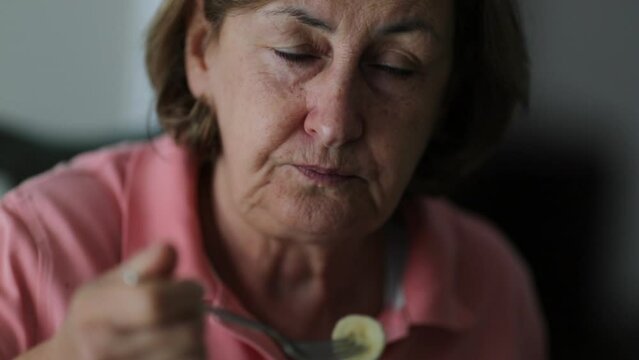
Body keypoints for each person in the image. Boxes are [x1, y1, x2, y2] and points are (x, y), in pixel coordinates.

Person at [1, 0, 546, 358]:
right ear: (200, 52)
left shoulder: (488, 285)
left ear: (445, 99)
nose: (334, 123)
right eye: (295, 51)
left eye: (397, 66)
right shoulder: (31, 246)